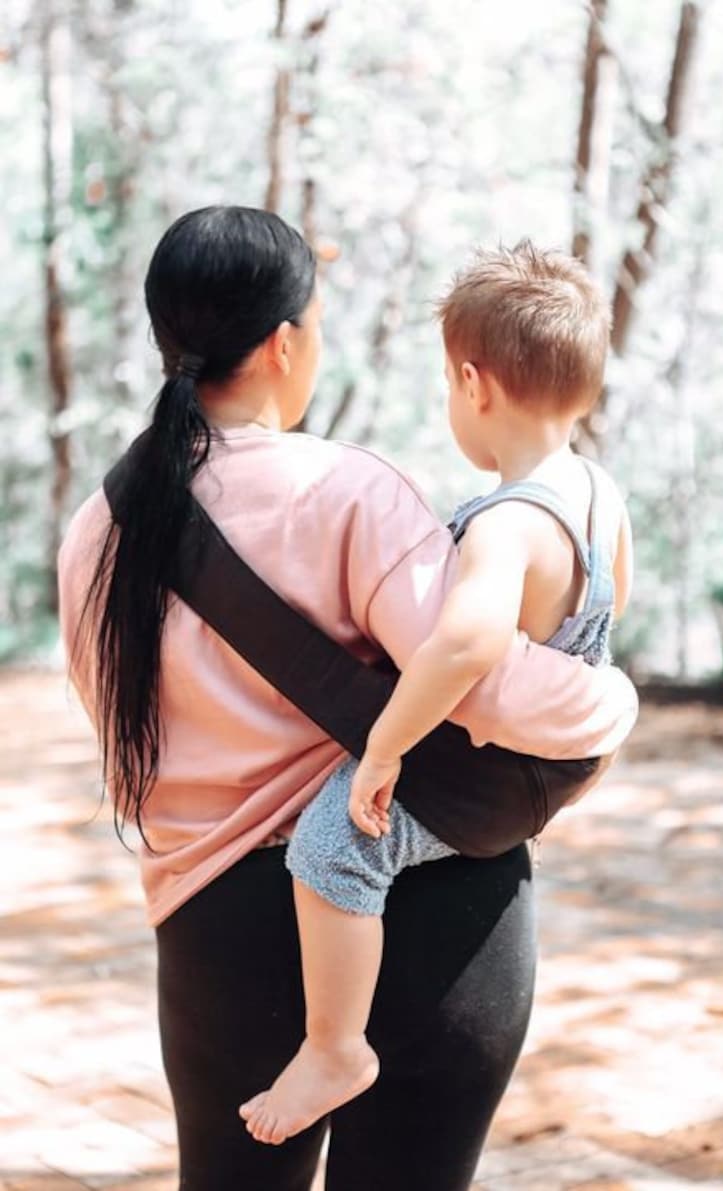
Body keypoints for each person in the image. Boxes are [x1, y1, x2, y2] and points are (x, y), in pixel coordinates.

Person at [58, 206, 638, 1191]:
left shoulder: (97, 532)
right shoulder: (348, 492)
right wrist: (609, 702)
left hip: (211, 934)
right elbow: (483, 684)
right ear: (286, 343)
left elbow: (124, 729)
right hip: (415, 910)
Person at [240, 242, 635, 1146]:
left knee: (334, 843)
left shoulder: (506, 523)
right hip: (550, 772)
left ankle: (335, 1044)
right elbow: (610, 609)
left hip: (485, 777)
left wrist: (381, 749)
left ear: (474, 382)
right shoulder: (597, 496)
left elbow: (465, 641)